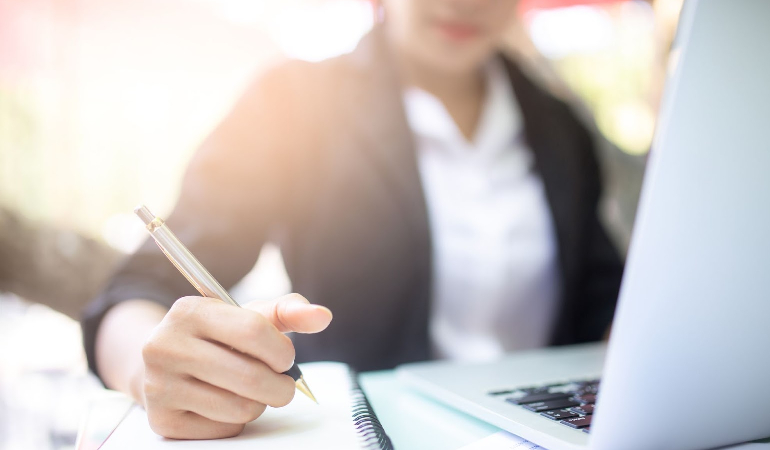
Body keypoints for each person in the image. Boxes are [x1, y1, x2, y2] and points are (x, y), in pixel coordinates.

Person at [82, 0, 624, 440]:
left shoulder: (560, 126)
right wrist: (149, 370)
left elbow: (604, 297)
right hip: (365, 433)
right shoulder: (293, 103)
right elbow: (137, 289)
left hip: (550, 432)